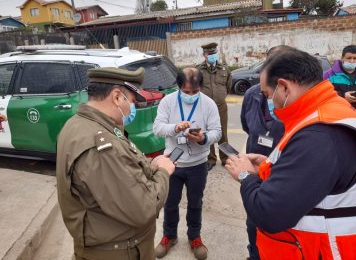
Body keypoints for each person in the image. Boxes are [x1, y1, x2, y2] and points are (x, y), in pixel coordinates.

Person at [226, 48, 356, 259]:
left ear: (284, 87)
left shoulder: (320, 134)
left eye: (267, 94)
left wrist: (246, 176)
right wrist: (269, 165)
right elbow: (314, 173)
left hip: (321, 250)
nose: (268, 101)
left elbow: (269, 214)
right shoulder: (328, 109)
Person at [56, 67, 175, 260]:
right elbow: (143, 207)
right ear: (117, 97)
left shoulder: (80, 124)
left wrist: (152, 164)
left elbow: (121, 171)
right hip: (119, 251)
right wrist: (163, 171)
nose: (132, 109)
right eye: (133, 102)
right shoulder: (101, 145)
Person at [153, 68, 221, 260]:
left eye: (195, 91)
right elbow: (157, 128)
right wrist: (175, 127)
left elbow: (217, 132)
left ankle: (194, 237)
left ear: (200, 87)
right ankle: (169, 236)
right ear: (179, 87)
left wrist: (202, 138)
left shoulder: (208, 104)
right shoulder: (168, 101)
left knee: (195, 203)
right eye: (186, 91)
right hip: (172, 163)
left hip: (198, 165)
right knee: (170, 203)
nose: (191, 95)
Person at [240, 46, 287, 260]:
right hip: (257, 166)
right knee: (253, 221)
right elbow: (247, 125)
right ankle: (254, 254)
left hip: (285, 172)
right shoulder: (251, 94)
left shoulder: (297, 102)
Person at [196, 42, 232, 170]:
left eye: (214, 53)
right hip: (205, 107)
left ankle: (225, 158)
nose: (212, 55)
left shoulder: (224, 69)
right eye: (209, 53)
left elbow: (228, 86)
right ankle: (210, 159)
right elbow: (196, 87)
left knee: (223, 133)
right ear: (204, 55)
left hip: (221, 105)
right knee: (208, 132)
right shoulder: (198, 70)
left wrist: (220, 96)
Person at [324, 44, 356, 118]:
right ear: (342, 58)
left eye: (355, 58)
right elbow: (323, 94)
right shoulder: (328, 75)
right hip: (335, 118)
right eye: (349, 58)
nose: (352, 61)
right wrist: (342, 96)